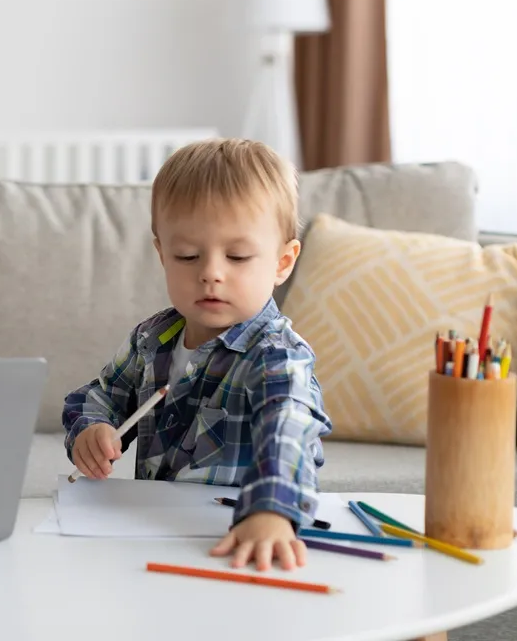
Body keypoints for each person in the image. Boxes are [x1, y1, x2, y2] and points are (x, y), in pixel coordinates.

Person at [61, 138, 332, 572]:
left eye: (238, 256)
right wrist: (92, 429)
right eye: (187, 256)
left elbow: (290, 430)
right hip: (150, 541)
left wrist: (272, 511)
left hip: (238, 543)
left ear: (283, 262)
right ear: (162, 255)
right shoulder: (151, 339)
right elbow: (102, 396)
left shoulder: (278, 356)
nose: (210, 273)